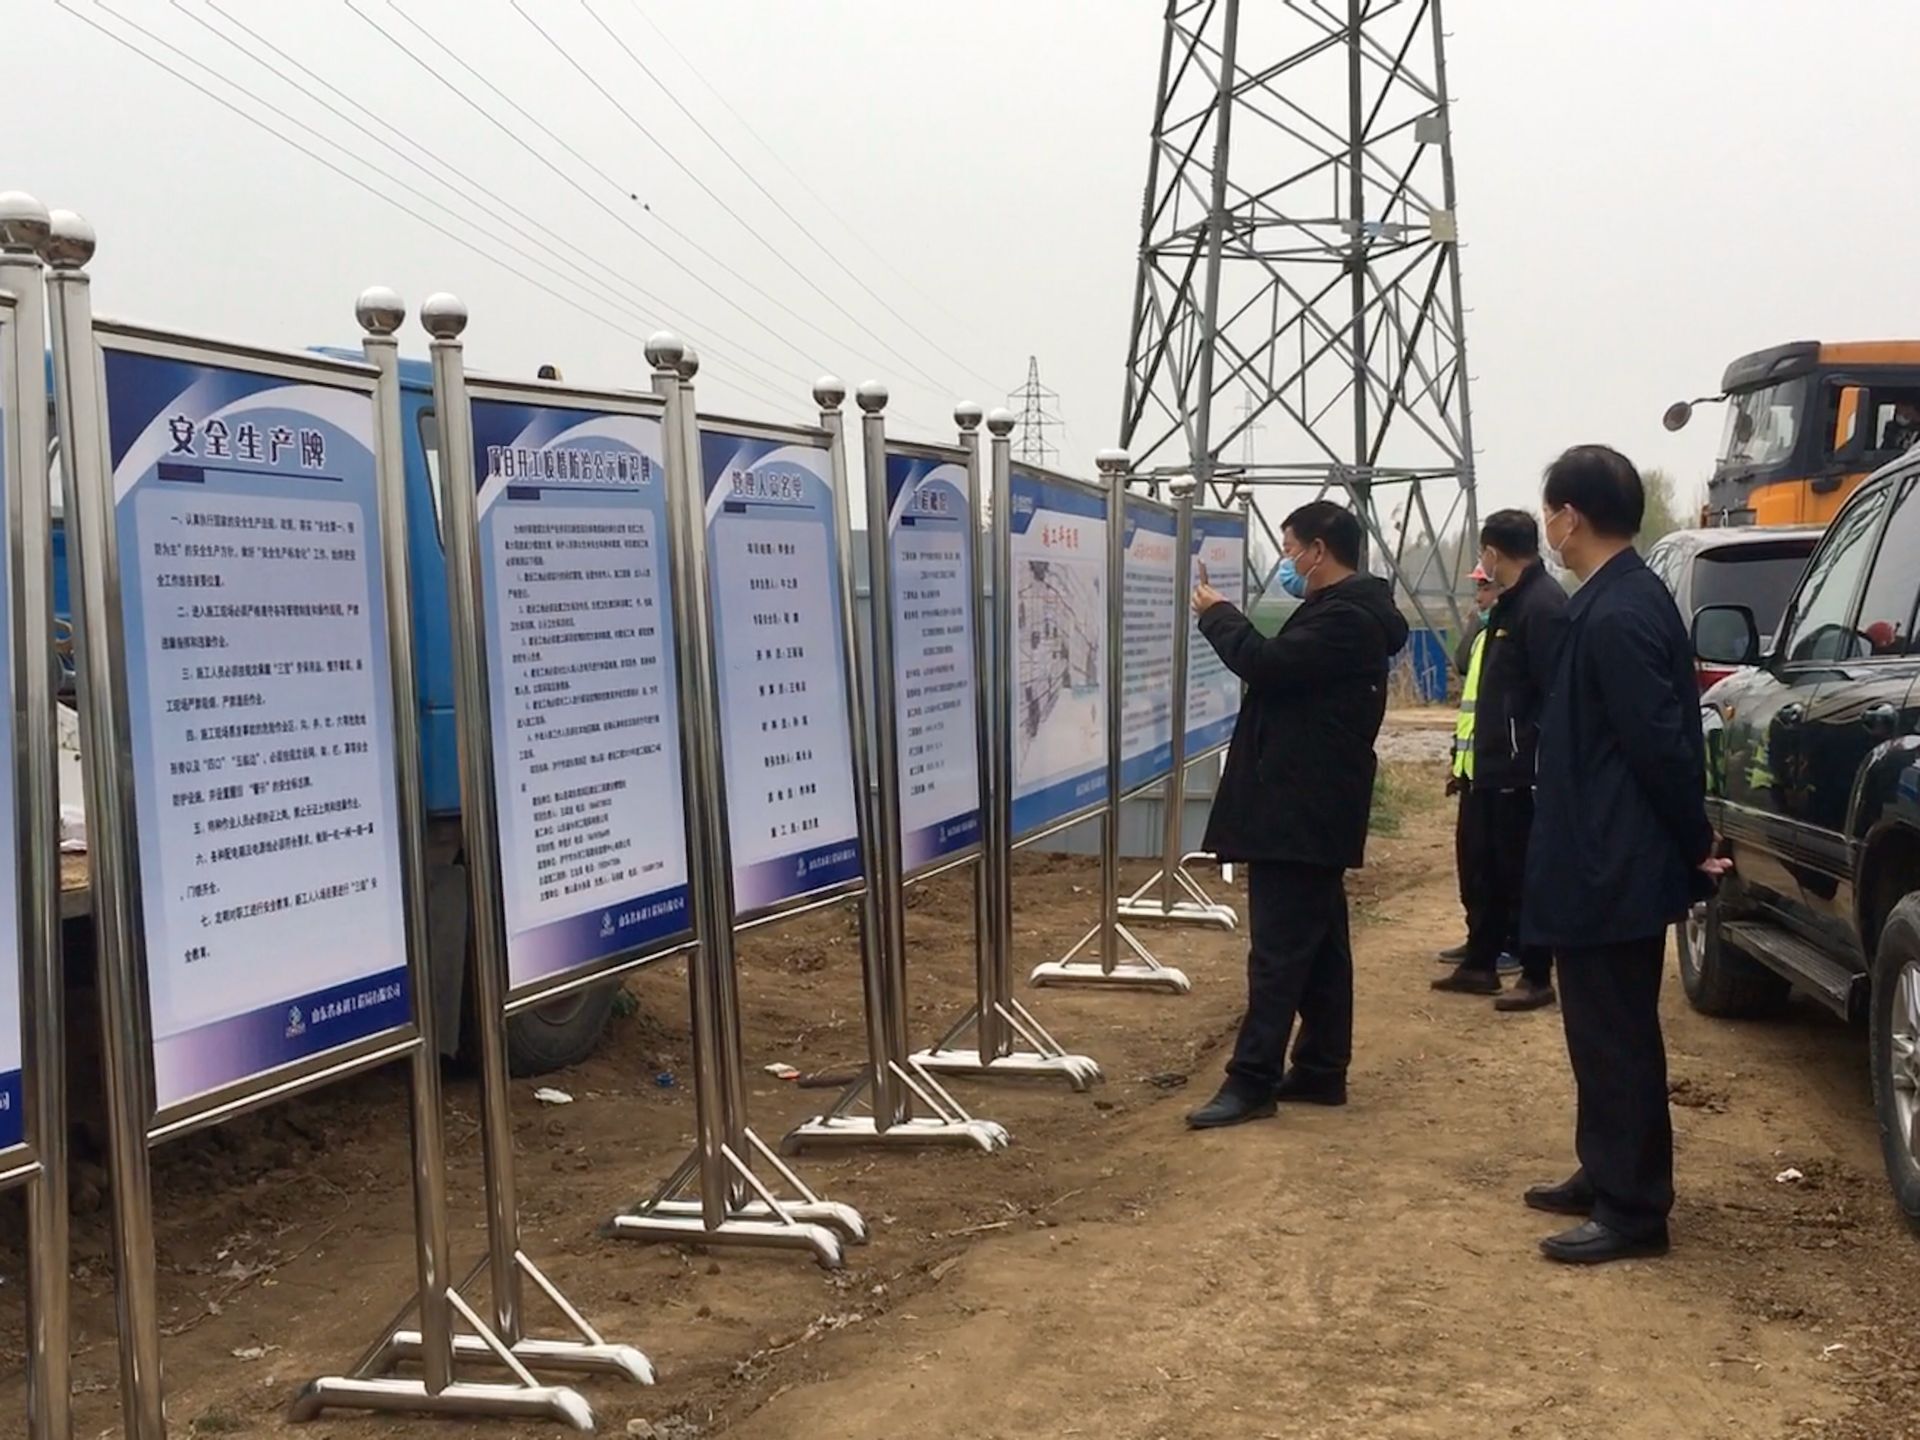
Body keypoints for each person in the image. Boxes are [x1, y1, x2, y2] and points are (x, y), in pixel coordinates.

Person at [1521, 445, 1728, 1264]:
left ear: (1571, 517)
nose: (1547, 527)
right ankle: (1604, 1169)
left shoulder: (1619, 612)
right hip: (1598, 852)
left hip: (1614, 860)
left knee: (1617, 1035)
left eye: (1550, 512)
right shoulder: (1613, 599)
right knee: (1598, 1028)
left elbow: (1662, 746)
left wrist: (1694, 841)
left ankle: (1635, 1209)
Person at [1183, 500, 1410, 1128]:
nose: (1286, 562)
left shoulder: (1348, 619)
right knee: (1322, 946)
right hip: (1307, 804)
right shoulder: (1338, 610)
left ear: (1318, 550)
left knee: (1278, 952)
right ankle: (1320, 1067)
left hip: (1301, 808)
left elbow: (1267, 664)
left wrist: (1218, 615)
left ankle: (1252, 1079)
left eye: (1289, 550)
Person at [1433, 511, 1567, 1011]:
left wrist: (1532, 755)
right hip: (1488, 767)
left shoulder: (1542, 606)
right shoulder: (1511, 604)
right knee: (1484, 869)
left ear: (1493, 552)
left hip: (1520, 771)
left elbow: (1554, 693)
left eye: (1482, 553)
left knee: (1521, 875)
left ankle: (1535, 974)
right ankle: (1480, 964)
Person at [1439, 566, 1500, 965]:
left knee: (1496, 863)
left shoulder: (1516, 634)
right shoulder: (1483, 638)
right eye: (1477, 588)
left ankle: (1504, 942)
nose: (1478, 597)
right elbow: (1462, 665)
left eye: (1485, 588)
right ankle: (1478, 936)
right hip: (1472, 769)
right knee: (1472, 861)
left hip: (1499, 772)